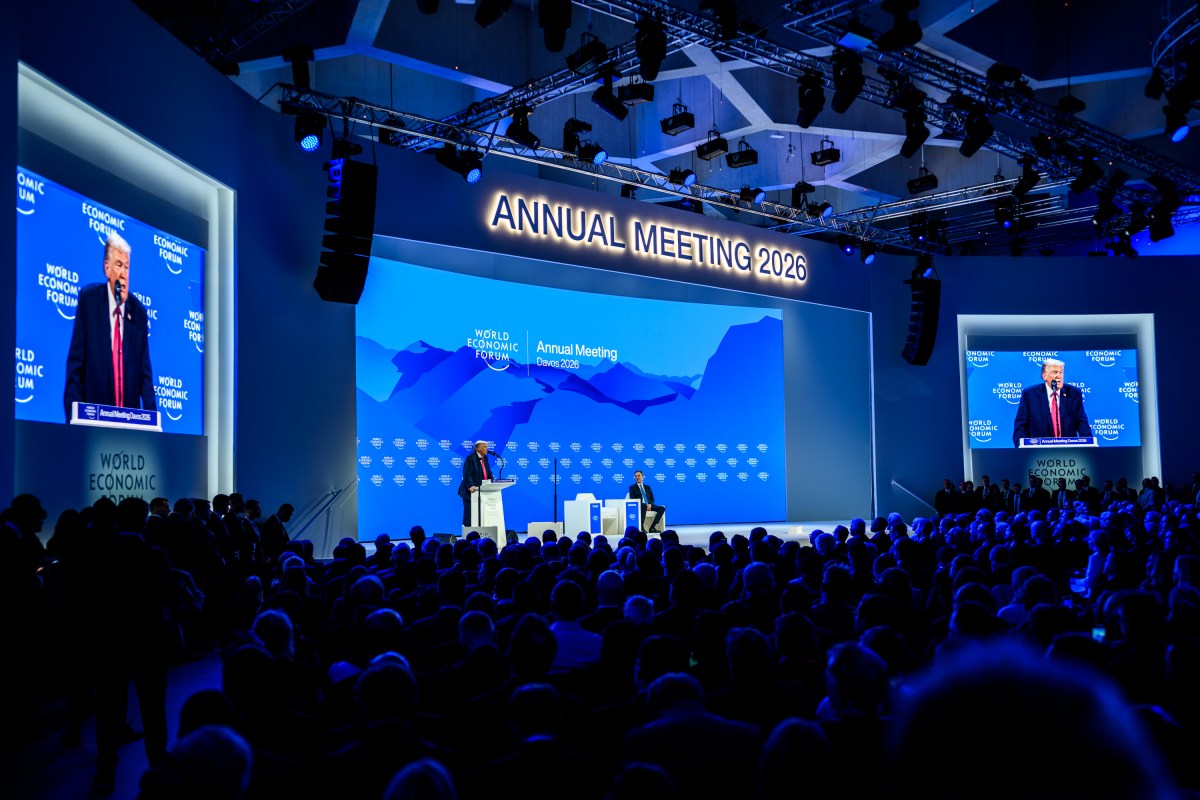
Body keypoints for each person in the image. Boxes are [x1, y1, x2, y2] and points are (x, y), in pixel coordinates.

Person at [63, 231, 157, 419]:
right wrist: (73, 422)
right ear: (107, 268)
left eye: (127, 267)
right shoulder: (89, 300)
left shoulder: (138, 313)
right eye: (119, 265)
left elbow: (145, 377)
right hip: (93, 420)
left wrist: (153, 424)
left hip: (128, 426)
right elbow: (76, 367)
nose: (123, 274)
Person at [1012, 358, 1091, 445]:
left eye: (1061, 372)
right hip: (1038, 453)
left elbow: (1082, 424)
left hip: (1068, 452)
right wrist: (1022, 449)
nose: (1059, 376)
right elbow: (1021, 427)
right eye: (1054, 372)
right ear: (1044, 376)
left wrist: (1089, 446)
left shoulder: (1073, 393)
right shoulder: (1030, 395)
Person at [458, 440, 493, 526]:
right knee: (469, 516)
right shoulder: (470, 458)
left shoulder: (485, 459)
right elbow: (467, 474)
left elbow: (488, 473)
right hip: (469, 491)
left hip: (481, 491)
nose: (487, 449)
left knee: (480, 516)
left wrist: (492, 482)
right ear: (478, 448)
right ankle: (468, 536)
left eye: (487, 447)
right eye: (484, 447)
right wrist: (471, 486)